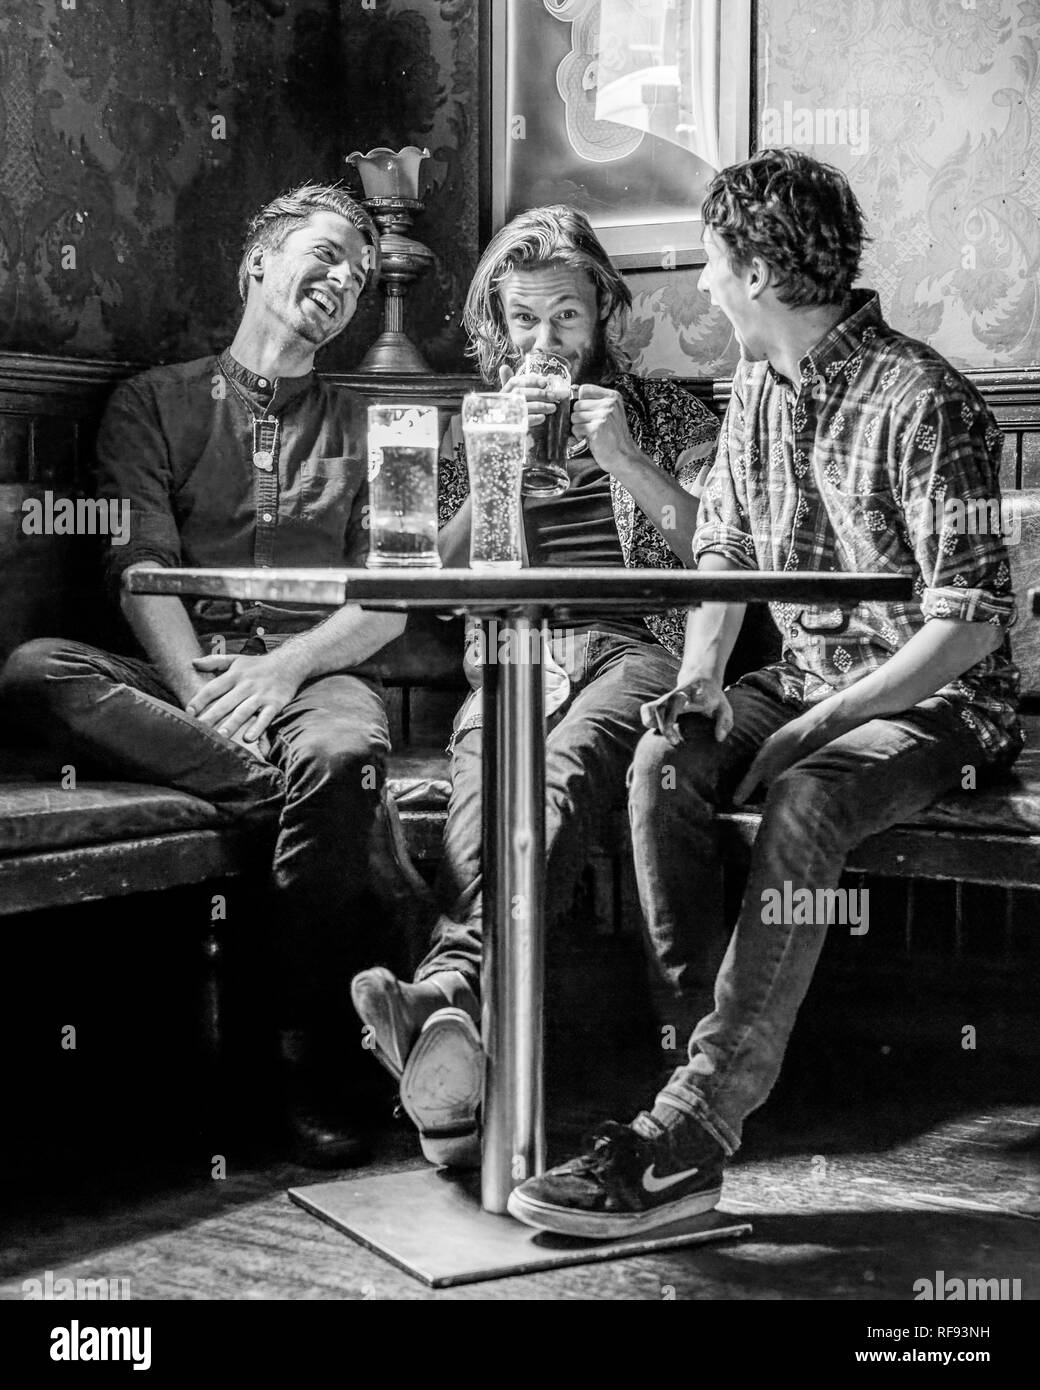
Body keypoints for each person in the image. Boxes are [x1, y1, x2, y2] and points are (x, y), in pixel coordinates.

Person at [505, 150, 1023, 1237]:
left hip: (942, 711)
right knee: (661, 764)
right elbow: (724, 560)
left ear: (758, 269)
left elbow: (968, 620)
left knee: (803, 798)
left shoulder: (924, 398)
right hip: (799, 681)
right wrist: (697, 684)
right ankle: (695, 1091)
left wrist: (816, 725)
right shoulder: (754, 396)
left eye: (710, 260)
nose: (698, 284)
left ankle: (688, 1125)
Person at [0, 183, 410, 1168]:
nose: (343, 277)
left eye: (357, 271)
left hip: (316, 673)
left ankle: (302, 1060)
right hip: (179, 672)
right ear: (258, 265)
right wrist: (204, 696)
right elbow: (137, 567)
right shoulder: (151, 400)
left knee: (346, 745)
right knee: (34, 669)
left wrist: (284, 669)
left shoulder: (387, 425)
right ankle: (324, 812)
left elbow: (391, 602)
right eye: (324, 253)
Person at [350, 205, 721, 1165]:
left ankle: (445, 996)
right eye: (523, 321)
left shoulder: (671, 413)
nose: (544, 341)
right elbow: (424, 577)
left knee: (548, 787)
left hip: (633, 649)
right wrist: (496, 472)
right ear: (497, 327)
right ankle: (458, 1070)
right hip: (512, 653)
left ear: (601, 310)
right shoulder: (477, 420)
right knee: (483, 812)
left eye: (565, 316)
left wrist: (623, 458)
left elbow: (717, 555)